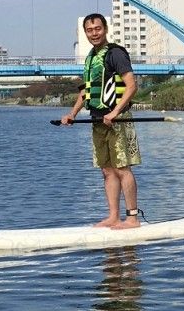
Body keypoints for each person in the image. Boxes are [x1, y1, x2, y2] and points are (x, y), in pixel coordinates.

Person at [61, 13, 143, 229]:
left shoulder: (115, 54)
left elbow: (131, 85)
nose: (94, 33)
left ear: (105, 29)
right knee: (107, 170)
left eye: (97, 29)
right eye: (89, 30)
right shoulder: (90, 58)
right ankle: (114, 216)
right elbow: (86, 92)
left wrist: (115, 112)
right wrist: (72, 114)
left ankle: (132, 218)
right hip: (98, 120)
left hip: (118, 119)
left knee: (122, 168)